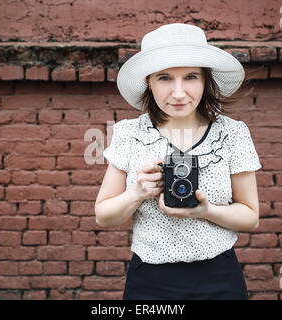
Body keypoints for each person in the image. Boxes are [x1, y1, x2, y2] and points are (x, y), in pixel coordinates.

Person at [94, 23, 262, 300]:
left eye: (191, 77)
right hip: (149, 282)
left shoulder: (232, 133)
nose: (179, 93)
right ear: (148, 81)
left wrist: (205, 211)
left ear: (206, 80)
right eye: (164, 78)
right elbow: (103, 215)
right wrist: (137, 192)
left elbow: (250, 217)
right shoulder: (129, 133)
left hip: (219, 279)